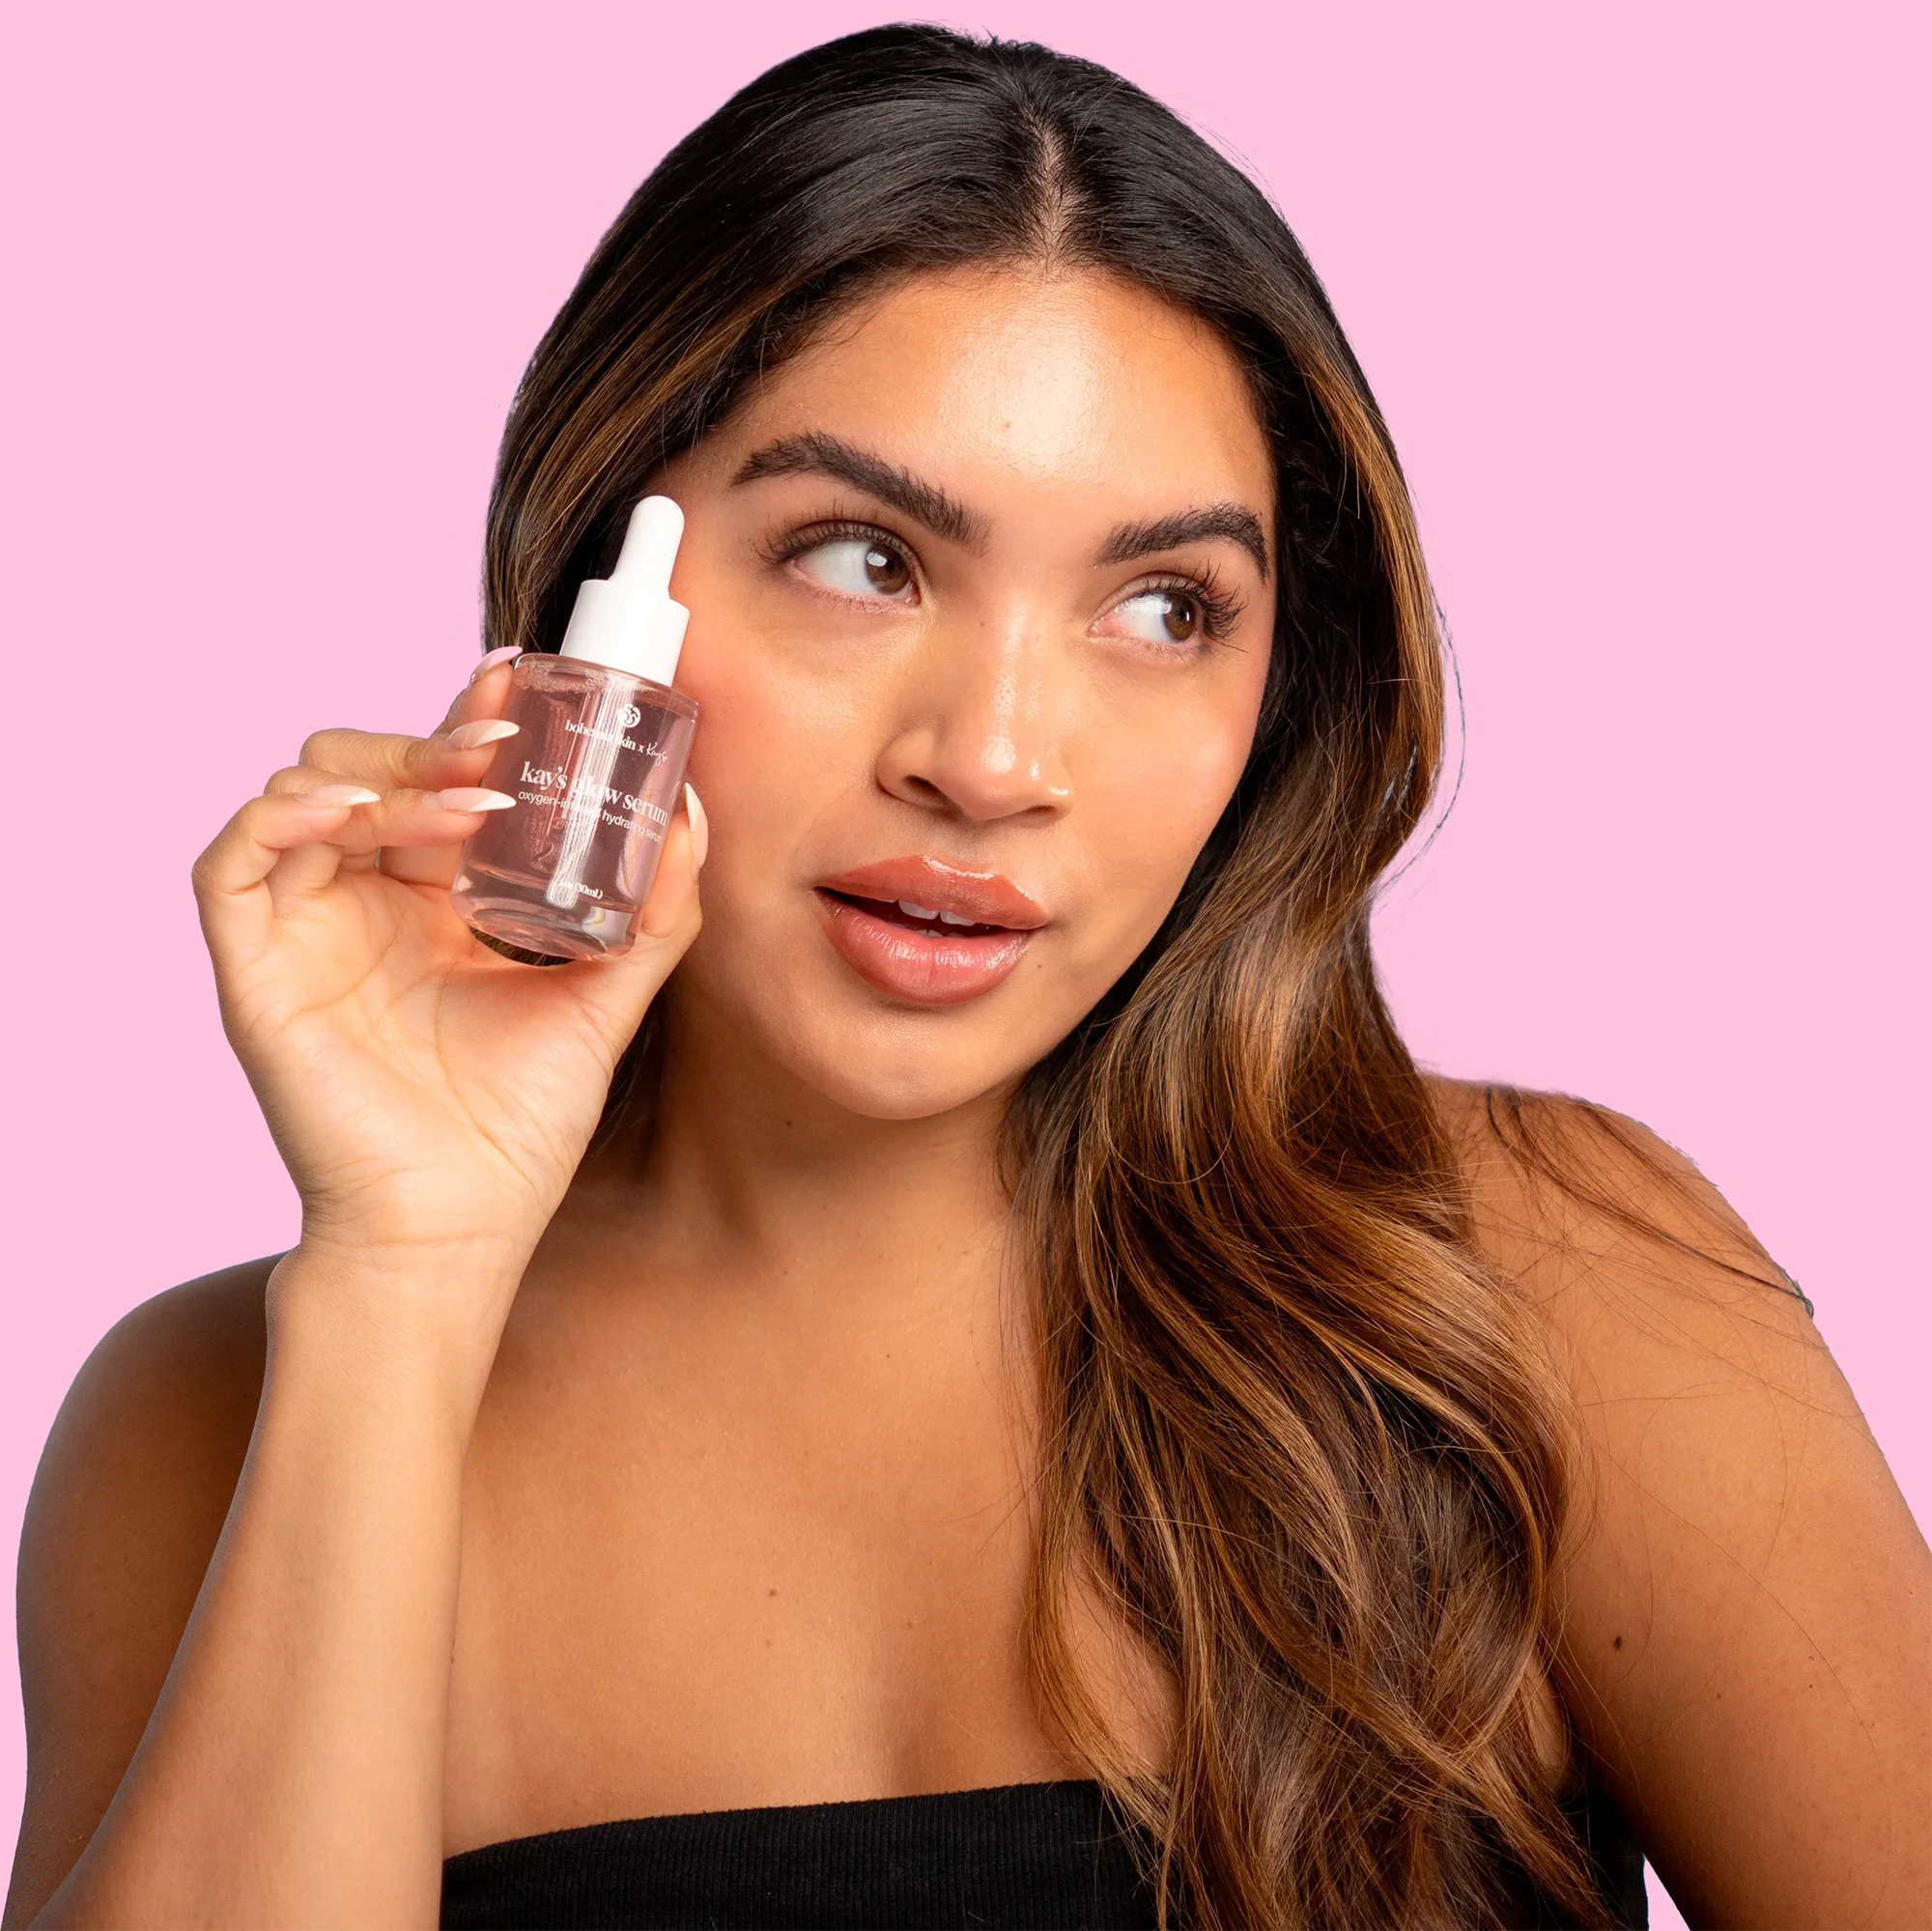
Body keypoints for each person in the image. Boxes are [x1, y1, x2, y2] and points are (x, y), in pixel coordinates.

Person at [7, 26, 1928, 1931]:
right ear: (607, 598)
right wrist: (401, 1284)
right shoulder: (214, 1420)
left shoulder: (1522, 1284)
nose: (995, 757)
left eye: (1164, 609)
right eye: (860, 560)